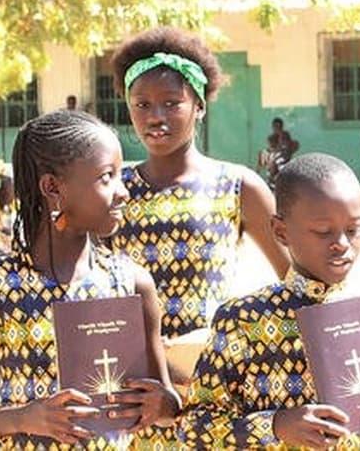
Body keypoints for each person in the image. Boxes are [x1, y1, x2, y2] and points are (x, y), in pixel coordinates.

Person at [108, 27, 290, 445]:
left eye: (172, 103)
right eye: (143, 104)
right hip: (132, 388)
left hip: (209, 378)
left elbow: (296, 280)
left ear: (200, 105)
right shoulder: (113, 190)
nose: (156, 116)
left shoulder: (238, 185)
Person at [180, 153, 360, 449]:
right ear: (281, 231)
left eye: (353, 229)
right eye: (323, 232)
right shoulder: (243, 320)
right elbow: (194, 429)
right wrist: (275, 425)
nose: (342, 243)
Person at [0, 110, 180, 449]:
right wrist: (22, 418)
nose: (123, 192)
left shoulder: (132, 283)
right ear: (52, 187)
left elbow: (169, 407)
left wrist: (161, 403)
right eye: (107, 177)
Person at [260, 116, 300, 185]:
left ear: (282, 126)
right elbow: (271, 149)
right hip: (275, 156)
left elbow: (286, 147)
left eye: (279, 126)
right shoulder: (271, 137)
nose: (276, 128)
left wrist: (281, 135)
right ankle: (270, 179)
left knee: (276, 161)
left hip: (284, 157)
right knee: (270, 159)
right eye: (275, 126)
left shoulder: (285, 135)